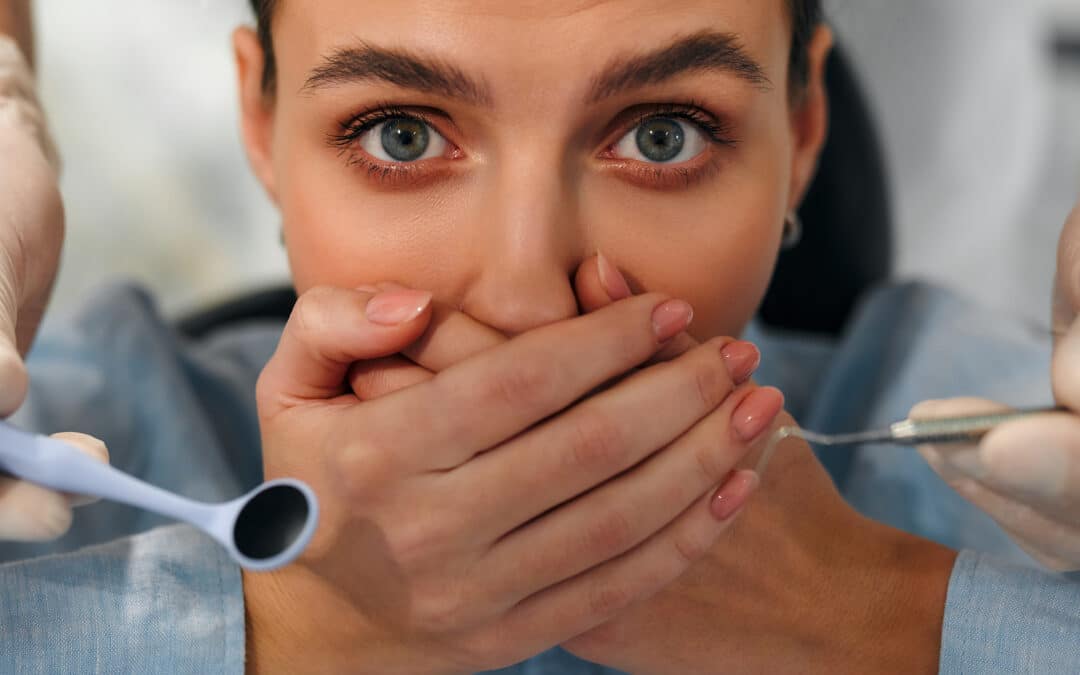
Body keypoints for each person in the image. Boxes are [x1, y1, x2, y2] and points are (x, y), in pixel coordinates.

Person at [1, 1, 1078, 673]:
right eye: (401, 132)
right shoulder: (75, 447)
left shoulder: (992, 435)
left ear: (799, 135)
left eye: (663, 136)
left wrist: (889, 624)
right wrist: (300, 637)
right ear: (261, 130)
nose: (524, 295)